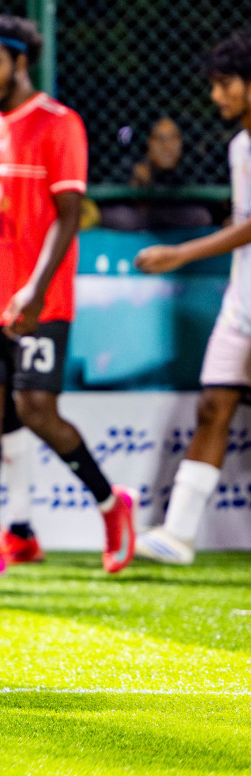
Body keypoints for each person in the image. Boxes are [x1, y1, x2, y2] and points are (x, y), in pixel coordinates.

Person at [0, 14, 136, 576]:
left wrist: (35, 290)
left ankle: (112, 505)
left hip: (40, 300)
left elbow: (68, 217)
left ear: (20, 60)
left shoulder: (59, 123)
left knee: (36, 410)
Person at [134, 32, 251, 564]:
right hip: (240, 303)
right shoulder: (239, 145)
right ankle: (178, 533)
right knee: (212, 406)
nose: (216, 96)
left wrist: (180, 254)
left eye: (225, 84)